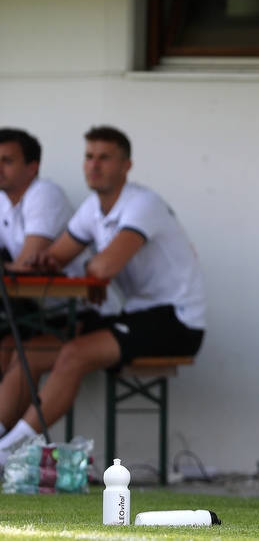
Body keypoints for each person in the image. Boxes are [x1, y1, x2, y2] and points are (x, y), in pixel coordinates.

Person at [0, 126, 206, 468]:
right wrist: (47, 261)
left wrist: (92, 272)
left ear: (126, 166)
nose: (93, 165)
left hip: (177, 320)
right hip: (135, 314)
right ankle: (6, 441)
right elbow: (57, 259)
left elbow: (104, 266)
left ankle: (7, 453)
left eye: (104, 158)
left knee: (72, 354)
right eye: (89, 156)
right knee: (32, 352)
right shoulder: (93, 208)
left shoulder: (143, 203)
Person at [0, 128, 84, 368]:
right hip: (37, 311)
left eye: (7, 161)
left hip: (79, 312)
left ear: (31, 167)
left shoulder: (44, 194)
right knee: (4, 348)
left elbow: (25, 267)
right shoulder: (2, 200)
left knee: (22, 355)